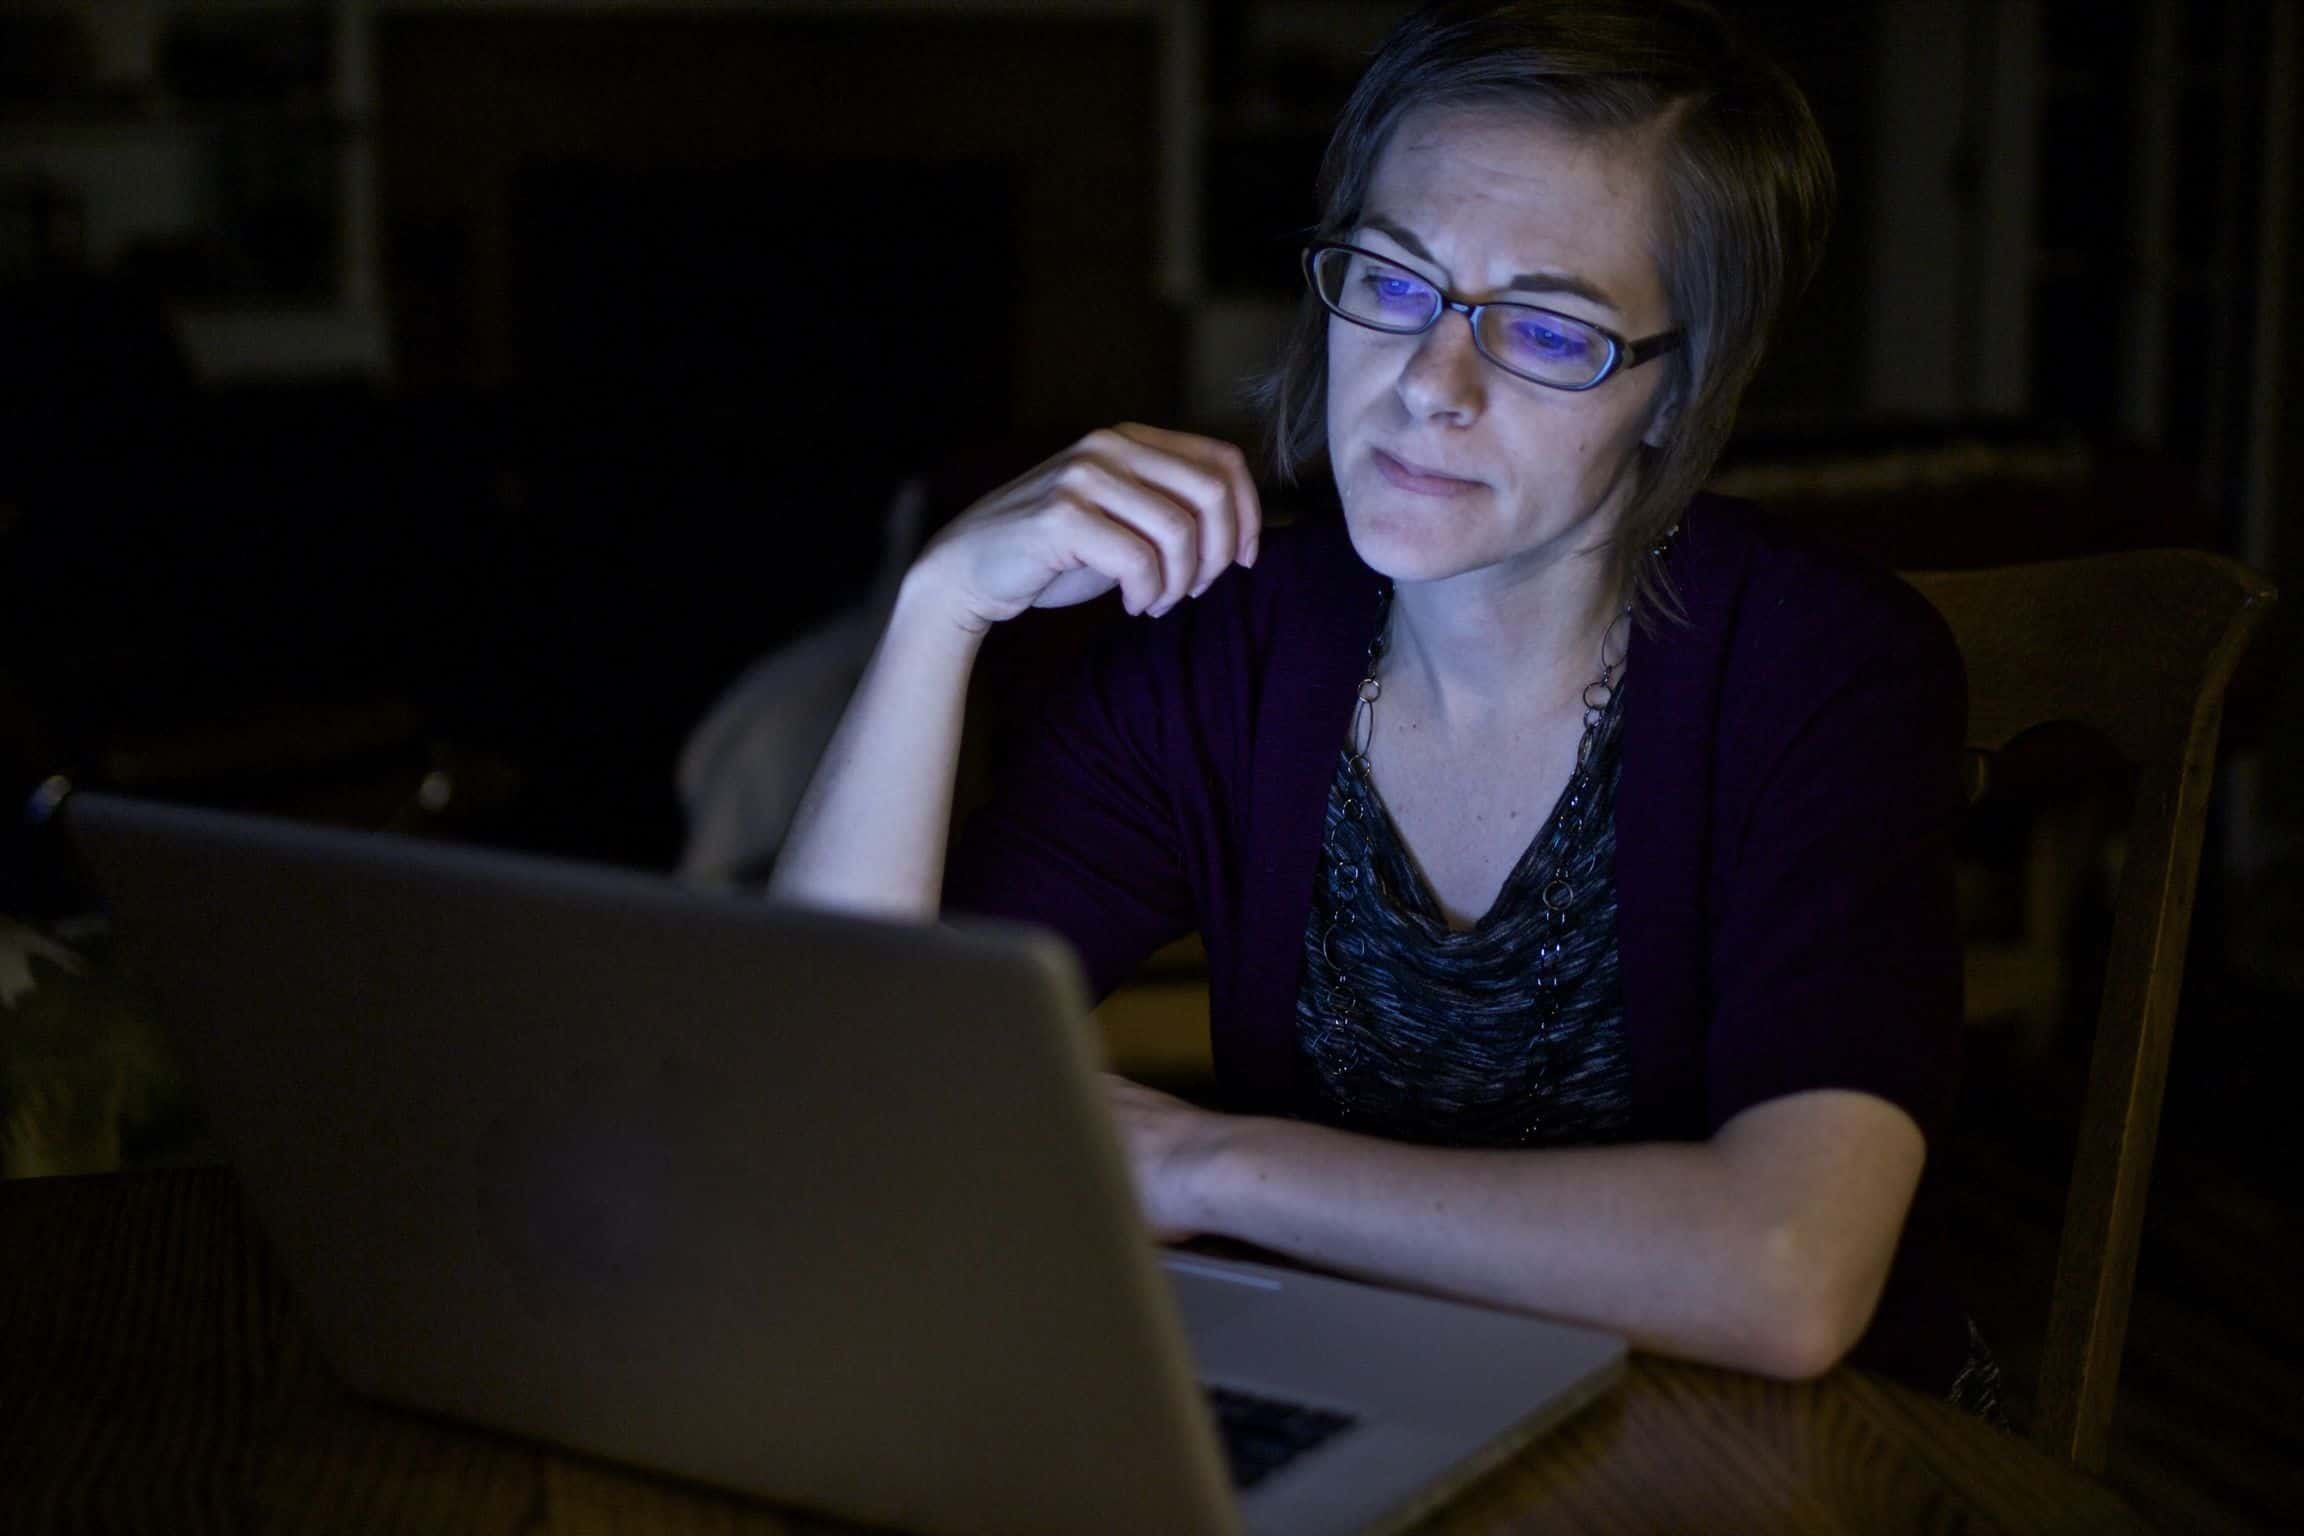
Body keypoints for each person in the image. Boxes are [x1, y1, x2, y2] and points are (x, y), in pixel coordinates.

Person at [770, 0, 2000, 1415]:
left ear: (1685, 390)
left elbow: (1787, 1277)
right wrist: (939, 612)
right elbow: (832, 1085)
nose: (1431, 384)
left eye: (1547, 328)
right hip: (1351, 1406)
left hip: (1768, 1458)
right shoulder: (1222, 647)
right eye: (1395, 281)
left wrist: (1197, 1163)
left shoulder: (1823, 667)